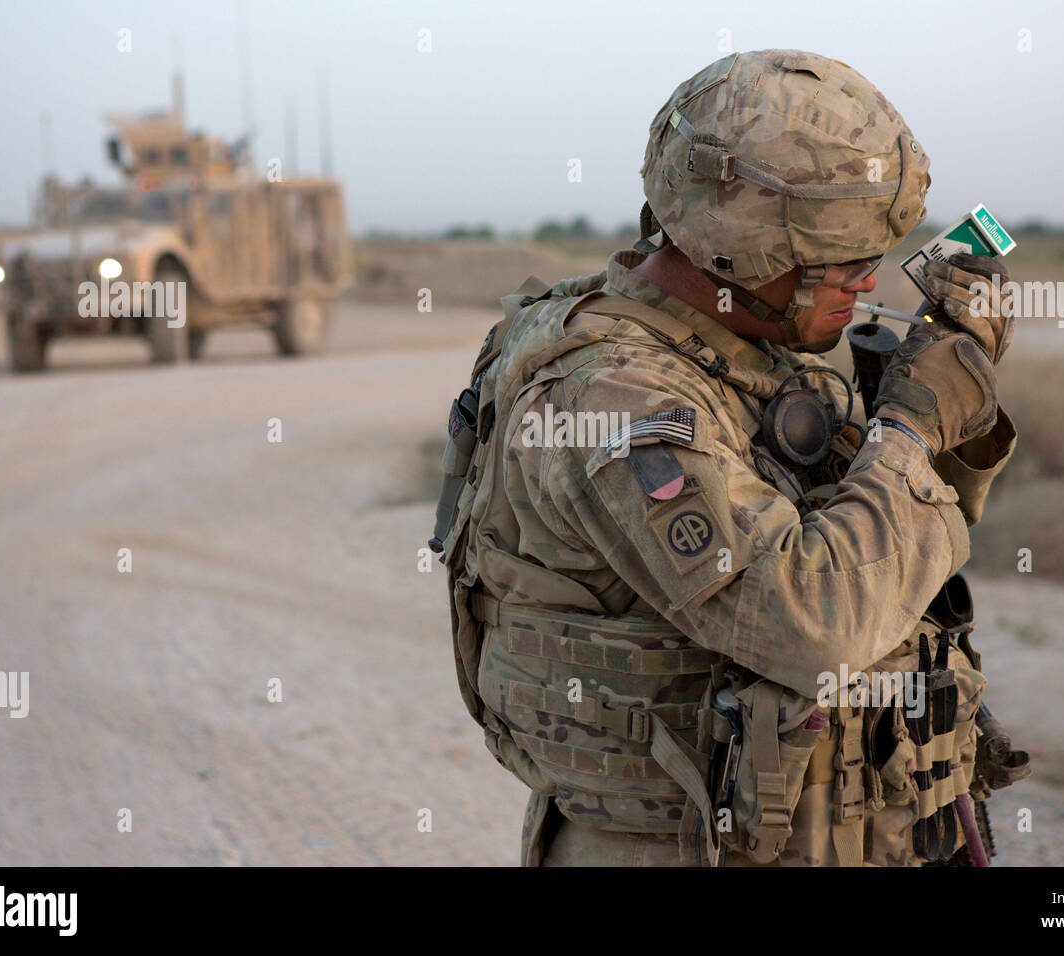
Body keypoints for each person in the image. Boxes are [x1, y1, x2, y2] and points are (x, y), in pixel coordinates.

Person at [432, 49, 1026, 867]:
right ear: (741, 251)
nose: (869, 282)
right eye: (844, 266)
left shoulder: (749, 345)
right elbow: (813, 621)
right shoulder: (614, 397)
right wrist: (909, 435)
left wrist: (945, 406)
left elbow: (895, 569)